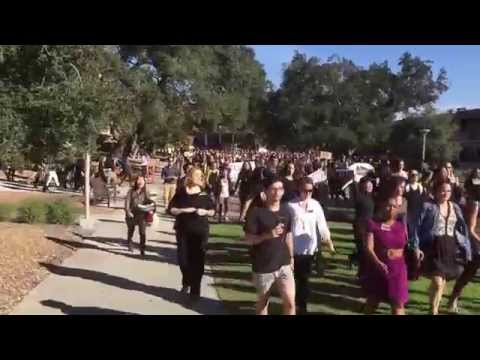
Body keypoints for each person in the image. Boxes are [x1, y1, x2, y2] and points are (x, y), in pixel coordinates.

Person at [411, 181, 472, 315]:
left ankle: (433, 308)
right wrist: (415, 246)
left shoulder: (455, 207)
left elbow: (463, 228)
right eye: (442, 190)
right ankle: (433, 310)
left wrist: (466, 246)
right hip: (433, 246)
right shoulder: (428, 206)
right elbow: (415, 227)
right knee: (438, 282)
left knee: (442, 282)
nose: (445, 193)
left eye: (448, 191)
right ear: (436, 191)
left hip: (450, 246)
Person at [244, 176, 296, 315]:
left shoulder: (286, 211)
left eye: (280, 189)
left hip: (283, 263)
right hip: (263, 265)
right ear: (265, 192)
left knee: (290, 303)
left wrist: (291, 257)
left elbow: (288, 235)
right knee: (263, 302)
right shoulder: (256, 212)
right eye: (273, 189)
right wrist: (267, 235)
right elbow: (248, 239)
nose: (277, 192)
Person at [289, 177, 334, 314]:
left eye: (311, 190)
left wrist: (329, 242)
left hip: (309, 249)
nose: (308, 193)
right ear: (299, 189)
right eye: (305, 190)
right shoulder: (290, 206)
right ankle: (293, 305)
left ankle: (301, 306)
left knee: (304, 279)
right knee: (293, 280)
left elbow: (322, 225)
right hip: (293, 249)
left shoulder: (315, 205)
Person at [168, 168, 215, 302]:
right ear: (190, 176)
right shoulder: (181, 193)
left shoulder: (204, 194)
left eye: (201, 175)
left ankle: (195, 291)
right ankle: (187, 280)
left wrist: (204, 212)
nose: (199, 177)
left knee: (198, 261)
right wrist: (183, 210)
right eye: (196, 175)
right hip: (183, 230)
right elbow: (171, 209)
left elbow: (212, 211)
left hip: (200, 231)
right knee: (183, 260)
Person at [361, 195, 409, 315]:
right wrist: (378, 263)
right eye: (388, 205)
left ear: (398, 209)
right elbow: (368, 248)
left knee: (398, 303)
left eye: (394, 206)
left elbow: (406, 246)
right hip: (378, 268)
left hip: (398, 269)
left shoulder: (401, 226)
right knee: (373, 301)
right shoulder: (373, 224)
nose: (391, 208)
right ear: (383, 206)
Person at [448, 169, 480, 313]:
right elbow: (471, 229)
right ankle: (453, 298)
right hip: (474, 241)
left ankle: (453, 298)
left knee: (469, 273)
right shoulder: (474, 203)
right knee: (469, 272)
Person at [350, 177, 375, 270]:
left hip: (370, 225)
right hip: (360, 225)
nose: (370, 186)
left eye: (371, 185)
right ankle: (357, 262)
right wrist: (354, 181)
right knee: (362, 247)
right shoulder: (359, 196)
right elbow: (354, 191)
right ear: (363, 186)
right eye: (368, 185)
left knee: (368, 248)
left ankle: (356, 260)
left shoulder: (372, 196)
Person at [125, 176, 153, 256]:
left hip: (142, 214)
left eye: (142, 181)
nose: (140, 182)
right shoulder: (131, 191)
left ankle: (142, 248)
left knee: (142, 232)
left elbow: (149, 203)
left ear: (144, 183)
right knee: (131, 230)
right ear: (136, 182)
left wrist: (150, 214)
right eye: (138, 180)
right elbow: (127, 202)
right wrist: (128, 211)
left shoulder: (146, 192)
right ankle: (130, 243)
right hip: (132, 213)